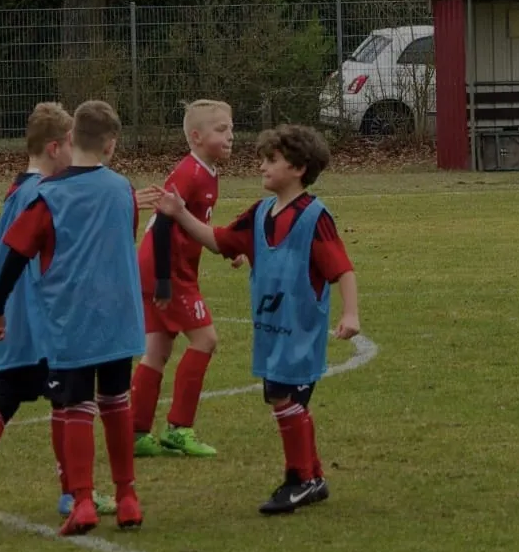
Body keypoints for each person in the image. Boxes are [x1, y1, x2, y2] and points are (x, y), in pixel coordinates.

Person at [146, 124, 360, 515]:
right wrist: (179, 213)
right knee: (287, 399)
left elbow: (341, 268)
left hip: (301, 331)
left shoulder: (314, 217)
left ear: (298, 168)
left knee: (283, 396)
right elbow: (218, 240)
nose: (261, 166)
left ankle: (299, 480)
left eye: (271, 160)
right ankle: (313, 477)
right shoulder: (260, 214)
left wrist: (350, 313)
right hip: (271, 330)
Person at [0, 102, 115, 525]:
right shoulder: (41, 194)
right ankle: (73, 492)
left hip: (16, 317)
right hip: (39, 320)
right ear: (55, 148)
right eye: (71, 144)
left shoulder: (20, 188)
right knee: (67, 398)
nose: (76, 152)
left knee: (7, 396)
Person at [0, 100, 145, 536]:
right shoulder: (124, 190)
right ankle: (128, 498)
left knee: (77, 407)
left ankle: (83, 502)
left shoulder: (49, 196)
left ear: (71, 139)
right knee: (116, 402)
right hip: (119, 317)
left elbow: (15, 254)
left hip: (71, 320)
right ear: (111, 144)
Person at [132, 100, 242, 458]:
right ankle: (178, 428)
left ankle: (136, 433)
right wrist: (164, 279)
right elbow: (164, 223)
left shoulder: (207, 171)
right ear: (196, 137)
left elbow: (192, 223)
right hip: (165, 268)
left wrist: (228, 248)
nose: (230, 136)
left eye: (231, 128)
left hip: (164, 267)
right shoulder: (189, 173)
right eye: (221, 130)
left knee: (157, 349)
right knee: (206, 340)